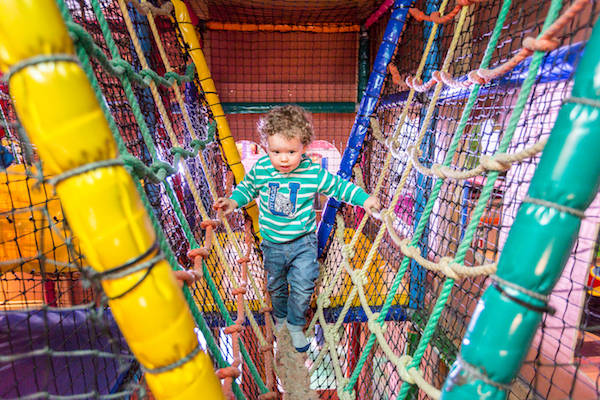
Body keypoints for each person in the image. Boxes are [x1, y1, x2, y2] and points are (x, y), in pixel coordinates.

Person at [214, 105, 380, 352]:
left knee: (303, 286)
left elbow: (340, 188)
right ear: (266, 147)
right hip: (272, 244)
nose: (283, 158)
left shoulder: (311, 172)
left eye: (291, 151)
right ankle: (281, 320)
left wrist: (364, 199)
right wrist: (232, 201)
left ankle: (294, 325)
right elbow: (247, 188)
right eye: (276, 151)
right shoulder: (262, 169)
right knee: (276, 287)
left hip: (303, 242)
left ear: (304, 147)